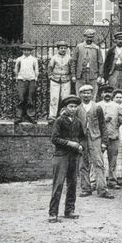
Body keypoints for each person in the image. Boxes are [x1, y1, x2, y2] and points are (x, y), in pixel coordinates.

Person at [48, 95, 84, 223]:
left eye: (75, 107)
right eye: (71, 106)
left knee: (72, 184)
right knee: (58, 184)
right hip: (61, 156)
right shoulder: (59, 121)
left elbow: (82, 137)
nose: (73, 109)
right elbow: (54, 139)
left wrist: (80, 145)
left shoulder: (78, 121)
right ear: (65, 107)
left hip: (73, 156)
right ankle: (53, 213)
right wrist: (69, 143)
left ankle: (69, 210)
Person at [75, 84, 114, 199]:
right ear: (80, 95)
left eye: (88, 93)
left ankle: (102, 189)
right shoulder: (77, 109)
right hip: (82, 140)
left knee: (99, 164)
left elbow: (103, 126)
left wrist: (104, 142)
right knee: (83, 164)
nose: (86, 95)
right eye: (84, 93)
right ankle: (86, 188)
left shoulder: (97, 108)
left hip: (95, 139)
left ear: (92, 94)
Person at [98, 86, 122, 189]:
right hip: (99, 137)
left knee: (113, 160)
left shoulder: (116, 106)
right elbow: (92, 120)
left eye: (109, 92)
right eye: (105, 92)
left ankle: (112, 181)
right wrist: (103, 120)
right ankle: (96, 181)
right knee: (98, 160)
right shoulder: (97, 106)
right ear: (101, 94)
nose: (107, 94)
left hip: (113, 137)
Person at [71, 29, 104, 100]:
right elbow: (74, 61)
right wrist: (73, 75)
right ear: (84, 37)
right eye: (88, 37)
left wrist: (100, 76)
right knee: (79, 94)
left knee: (93, 95)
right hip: (80, 75)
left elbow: (100, 63)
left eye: (91, 37)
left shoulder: (96, 48)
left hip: (93, 75)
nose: (89, 39)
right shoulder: (79, 47)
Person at [47, 40, 72, 124]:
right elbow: (50, 67)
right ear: (58, 49)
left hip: (66, 80)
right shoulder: (54, 58)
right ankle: (52, 116)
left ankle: (64, 114)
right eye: (61, 48)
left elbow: (72, 68)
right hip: (55, 80)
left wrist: (71, 76)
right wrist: (50, 76)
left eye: (64, 48)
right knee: (54, 98)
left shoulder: (69, 58)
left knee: (65, 98)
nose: (63, 50)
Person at [14, 43, 39, 124]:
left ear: (31, 51)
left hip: (31, 80)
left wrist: (35, 79)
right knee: (20, 98)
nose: (26, 52)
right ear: (22, 50)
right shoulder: (19, 59)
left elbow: (36, 70)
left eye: (28, 50)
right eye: (24, 50)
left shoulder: (34, 60)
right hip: (21, 80)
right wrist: (18, 78)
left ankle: (31, 116)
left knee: (30, 98)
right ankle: (19, 116)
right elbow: (16, 69)